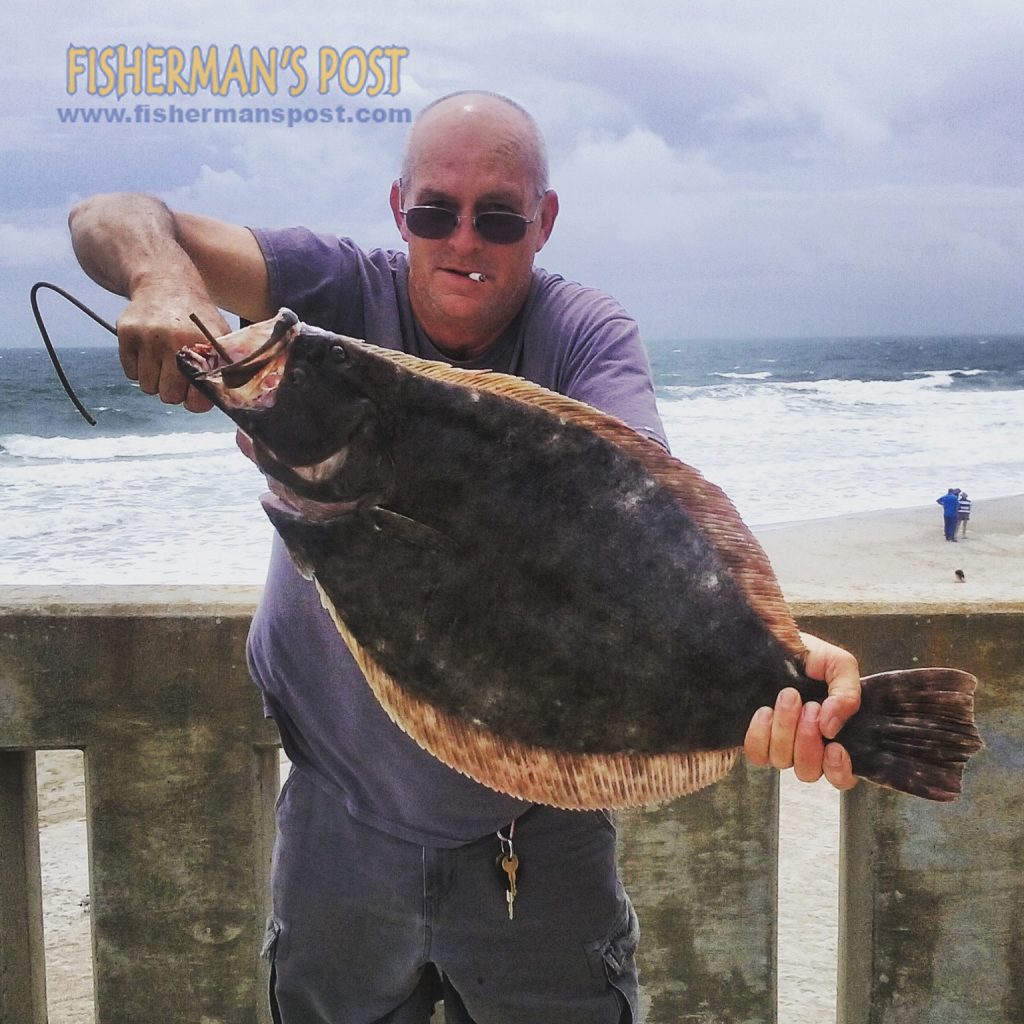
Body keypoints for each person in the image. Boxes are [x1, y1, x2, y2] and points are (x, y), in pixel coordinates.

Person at [68, 91, 861, 1024]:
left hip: (539, 835)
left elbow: (638, 526)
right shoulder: (334, 293)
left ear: (544, 222)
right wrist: (164, 281)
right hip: (337, 824)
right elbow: (105, 217)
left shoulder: (583, 336)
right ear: (401, 211)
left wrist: (786, 663)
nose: (464, 241)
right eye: (436, 213)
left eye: (498, 218)